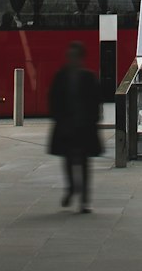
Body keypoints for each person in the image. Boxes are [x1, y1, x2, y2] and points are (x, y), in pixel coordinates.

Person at [47, 42, 103, 211]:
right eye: (69, 56)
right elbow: (53, 98)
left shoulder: (88, 77)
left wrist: (93, 120)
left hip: (83, 125)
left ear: (80, 58)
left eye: (74, 56)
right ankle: (72, 188)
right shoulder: (61, 76)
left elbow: (95, 100)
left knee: (84, 163)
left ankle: (84, 199)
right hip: (67, 125)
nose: (71, 59)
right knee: (68, 160)